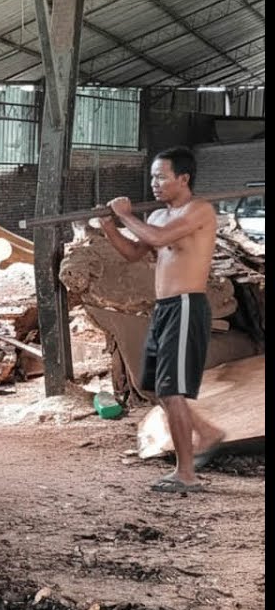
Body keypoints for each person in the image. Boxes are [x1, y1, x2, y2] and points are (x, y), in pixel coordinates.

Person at [95, 146, 224, 493]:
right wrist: (109, 226)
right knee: (156, 386)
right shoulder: (155, 216)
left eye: (161, 176)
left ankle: (186, 474)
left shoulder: (198, 210)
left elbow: (160, 239)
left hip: (186, 305)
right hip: (164, 308)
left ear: (183, 178)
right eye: (152, 176)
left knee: (173, 390)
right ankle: (208, 434)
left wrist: (123, 214)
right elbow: (135, 253)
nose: (154, 183)